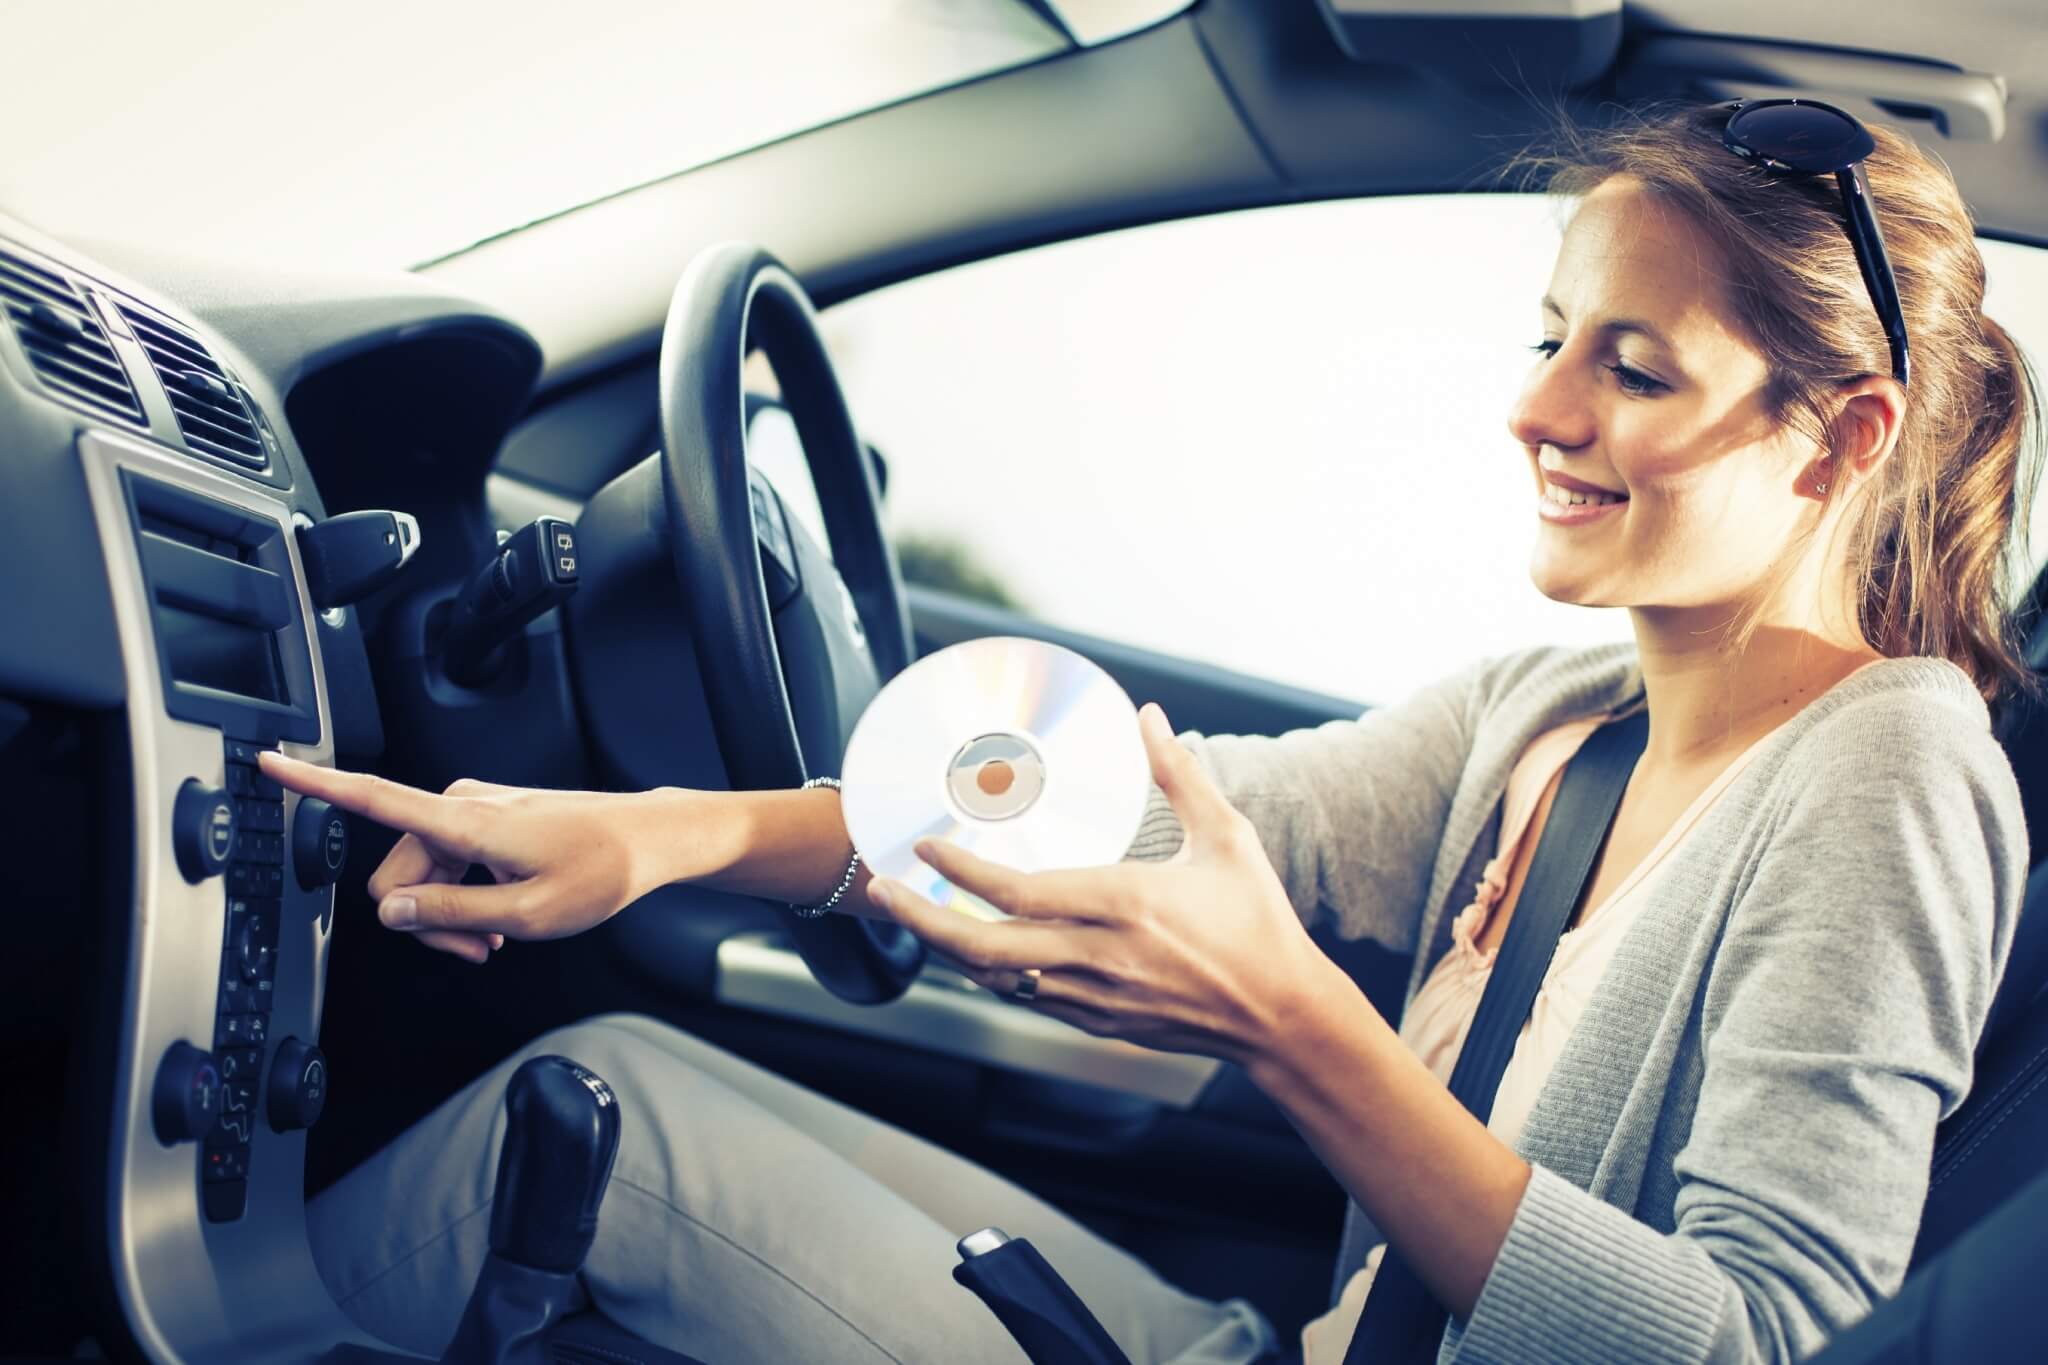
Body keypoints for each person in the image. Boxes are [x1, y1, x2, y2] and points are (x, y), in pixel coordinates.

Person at [267, 101, 2040, 1365]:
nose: (1534, 406)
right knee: (623, 1089)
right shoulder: (1555, 715)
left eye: (1631, 369)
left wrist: (1286, 1025)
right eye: (1554, 336)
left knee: (568, 1151)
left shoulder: (1892, 768)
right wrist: (676, 834)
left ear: (1837, 437)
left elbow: (1766, 1343)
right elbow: (1099, 805)